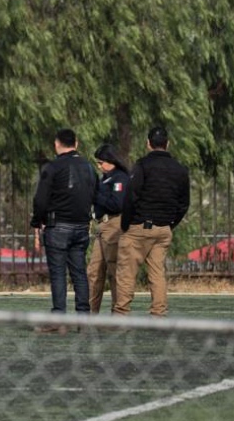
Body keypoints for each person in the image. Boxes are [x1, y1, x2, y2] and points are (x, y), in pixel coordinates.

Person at [113, 126, 190, 318]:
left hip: (139, 227)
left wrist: (126, 224)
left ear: (148, 144)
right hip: (163, 229)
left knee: (126, 273)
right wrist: (169, 224)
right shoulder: (180, 170)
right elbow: (184, 203)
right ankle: (158, 314)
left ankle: (121, 314)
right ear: (168, 144)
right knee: (157, 274)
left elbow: (131, 196)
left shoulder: (142, 166)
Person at [30, 128, 97, 331]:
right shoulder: (89, 167)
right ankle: (84, 319)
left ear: (56, 144)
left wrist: (37, 221)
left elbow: (40, 199)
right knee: (79, 273)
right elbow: (96, 193)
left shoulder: (52, 167)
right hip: (81, 226)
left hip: (57, 226)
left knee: (58, 274)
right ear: (76, 143)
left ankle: (58, 319)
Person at [87, 144, 130, 313]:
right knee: (94, 271)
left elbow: (116, 204)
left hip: (114, 226)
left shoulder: (120, 179)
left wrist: (96, 194)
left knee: (114, 271)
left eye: (101, 162)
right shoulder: (105, 178)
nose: (99, 166)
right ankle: (90, 312)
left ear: (111, 161)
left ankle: (118, 313)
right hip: (102, 226)